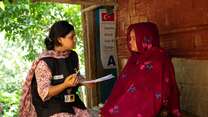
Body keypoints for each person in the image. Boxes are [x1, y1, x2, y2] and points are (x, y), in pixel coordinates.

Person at [100, 22, 181, 117]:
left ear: (146, 39)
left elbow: (143, 96)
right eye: (130, 38)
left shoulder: (157, 59)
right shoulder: (135, 58)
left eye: (134, 38)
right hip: (131, 106)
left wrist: (117, 111)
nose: (130, 42)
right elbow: (121, 87)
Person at [19, 21, 90, 117]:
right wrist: (65, 84)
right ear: (60, 39)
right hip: (50, 107)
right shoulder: (44, 62)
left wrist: (86, 82)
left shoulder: (73, 56)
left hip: (71, 102)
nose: (75, 40)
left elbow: (76, 75)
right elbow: (45, 92)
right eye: (71, 37)